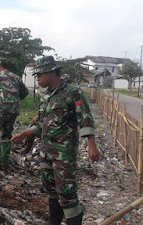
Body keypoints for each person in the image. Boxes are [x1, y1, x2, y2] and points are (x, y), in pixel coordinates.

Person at [11, 56, 101, 225]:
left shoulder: (73, 92)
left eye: (39, 75)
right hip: (46, 151)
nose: (37, 79)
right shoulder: (45, 97)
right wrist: (25, 133)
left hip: (63, 154)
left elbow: (85, 119)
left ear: (52, 72)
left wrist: (92, 145)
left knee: (66, 193)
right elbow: (43, 124)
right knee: (51, 190)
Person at [0, 58, 29, 163]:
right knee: (6, 132)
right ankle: (5, 160)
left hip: (4, 106)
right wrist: (14, 100)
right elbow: (25, 92)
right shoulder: (16, 77)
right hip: (15, 108)